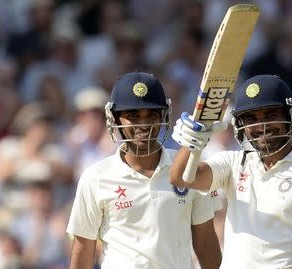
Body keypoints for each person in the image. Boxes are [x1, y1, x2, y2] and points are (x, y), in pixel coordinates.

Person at [170, 75, 292, 269]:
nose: (261, 126)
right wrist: (194, 138)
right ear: (240, 125)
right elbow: (180, 178)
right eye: (251, 119)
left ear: (290, 116)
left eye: (271, 116)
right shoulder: (234, 162)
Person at [66, 72, 222, 269]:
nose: (144, 125)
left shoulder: (188, 168)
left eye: (151, 115)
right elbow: (83, 253)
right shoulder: (95, 177)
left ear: (164, 116)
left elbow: (206, 243)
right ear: (114, 119)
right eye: (132, 116)